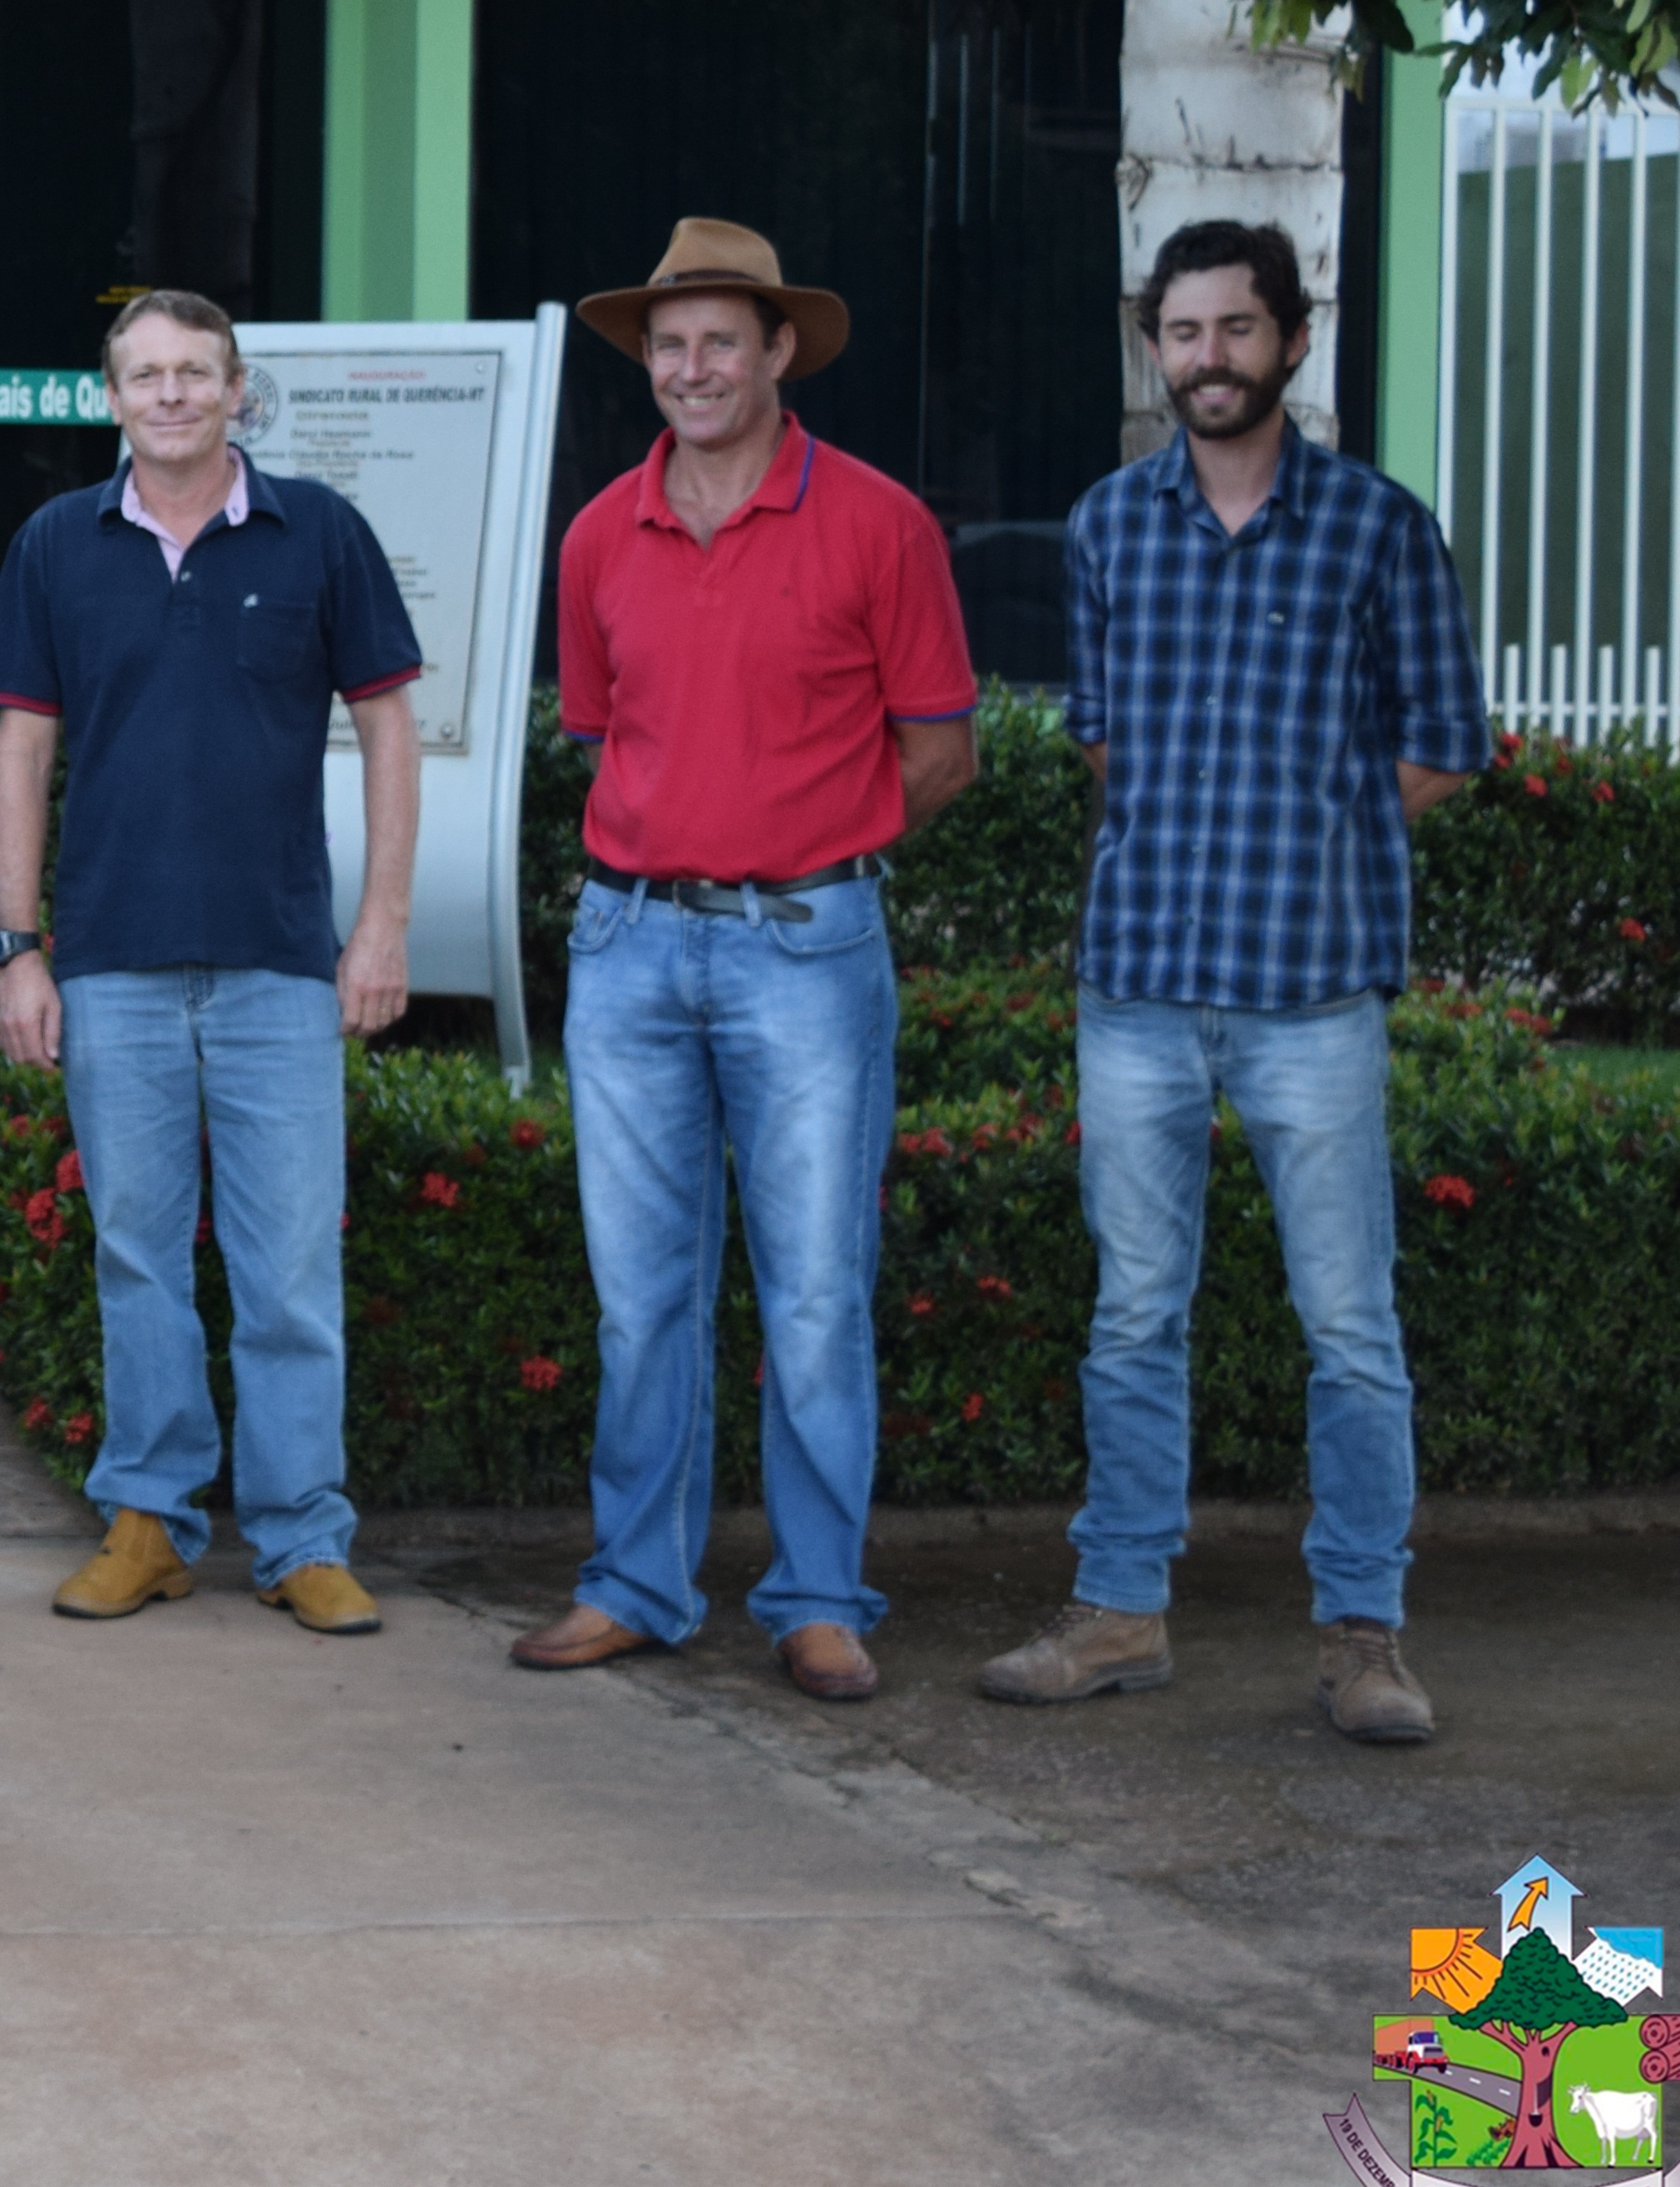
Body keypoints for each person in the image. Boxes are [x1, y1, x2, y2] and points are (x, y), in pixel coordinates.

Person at [979, 219, 1490, 1743]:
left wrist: (1315, 833)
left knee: (1350, 1324)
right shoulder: (1106, 526)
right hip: (1136, 986)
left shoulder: (1379, 529)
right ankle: (1121, 1611)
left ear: (1292, 339)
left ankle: (1362, 1637)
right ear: (1157, 345)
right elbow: (1099, 741)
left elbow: (1443, 744)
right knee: (1135, 1314)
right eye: (1184, 332)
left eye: (1236, 329)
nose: (1209, 358)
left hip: (1311, 990)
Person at [511, 220, 976, 1704]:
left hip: (807, 948)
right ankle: (637, 1583)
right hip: (629, 945)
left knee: (817, 1293)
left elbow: (942, 750)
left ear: (782, 351)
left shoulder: (881, 523)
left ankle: (820, 1595)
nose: (692, 368)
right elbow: (605, 733)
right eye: (668, 344)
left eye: (721, 339)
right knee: (640, 1294)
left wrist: (812, 848)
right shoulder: (598, 534)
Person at [0, 290, 426, 1635]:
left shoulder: (320, 535)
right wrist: (18, 950)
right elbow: (21, 753)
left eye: (196, 372)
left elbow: (391, 733)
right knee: (137, 1257)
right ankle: (152, 1522)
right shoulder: (59, 543)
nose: (171, 393)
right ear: (111, 397)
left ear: (239, 390)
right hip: (110, 965)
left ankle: (301, 1538)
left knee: (291, 1266)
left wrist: (382, 926)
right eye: (145, 374)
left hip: (279, 966)